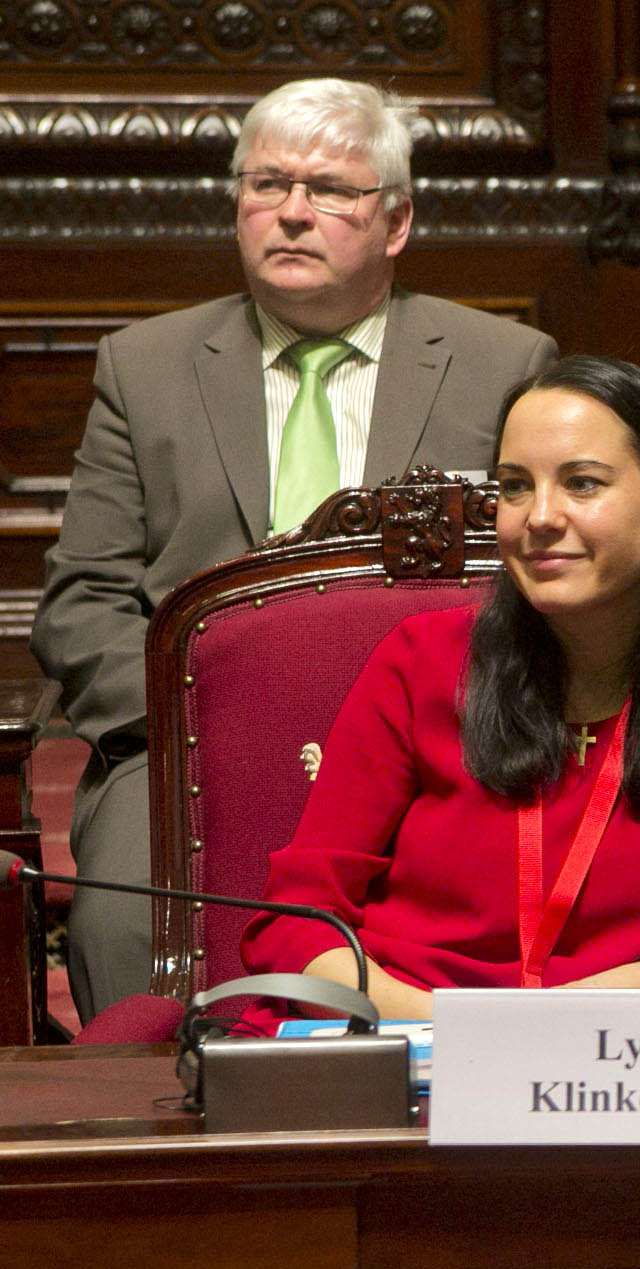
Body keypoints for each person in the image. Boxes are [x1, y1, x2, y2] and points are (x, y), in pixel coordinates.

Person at [34, 77, 557, 1019]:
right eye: (266, 184)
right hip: (185, 745)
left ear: (395, 223)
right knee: (121, 925)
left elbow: (538, 583)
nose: (291, 213)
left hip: (434, 750)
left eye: (329, 189)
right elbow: (82, 602)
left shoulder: (501, 367)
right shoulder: (145, 368)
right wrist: (203, 715)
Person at [244, 357, 640, 1014]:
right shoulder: (422, 658)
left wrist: (547, 1030)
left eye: (581, 483)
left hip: (617, 1054)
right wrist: (461, 1029)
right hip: (405, 1031)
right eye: (515, 487)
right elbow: (294, 923)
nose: (539, 516)